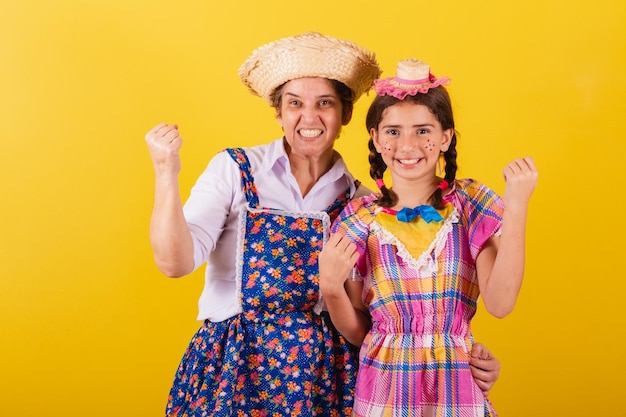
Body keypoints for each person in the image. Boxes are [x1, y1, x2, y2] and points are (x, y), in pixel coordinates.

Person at [145, 32, 501, 417]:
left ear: (345, 114)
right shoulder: (234, 171)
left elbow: (394, 314)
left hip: (326, 374)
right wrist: (167, 172)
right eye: (294, 103)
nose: (309, 117)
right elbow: (174, 263)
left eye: (325, 103)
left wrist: (462, 356)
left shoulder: (363, 205)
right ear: (278, 112)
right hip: (236, 364)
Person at [319, 58, 538, 416]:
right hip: (384, 392)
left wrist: (516, 207)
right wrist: (330, 288)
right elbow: (361, 328)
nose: (408, 144)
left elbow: (500, 304)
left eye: (423, 130)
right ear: (375, 137)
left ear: (445, 137)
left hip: (456, 388)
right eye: (393, 131)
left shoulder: (470, 205)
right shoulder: (358, 218)